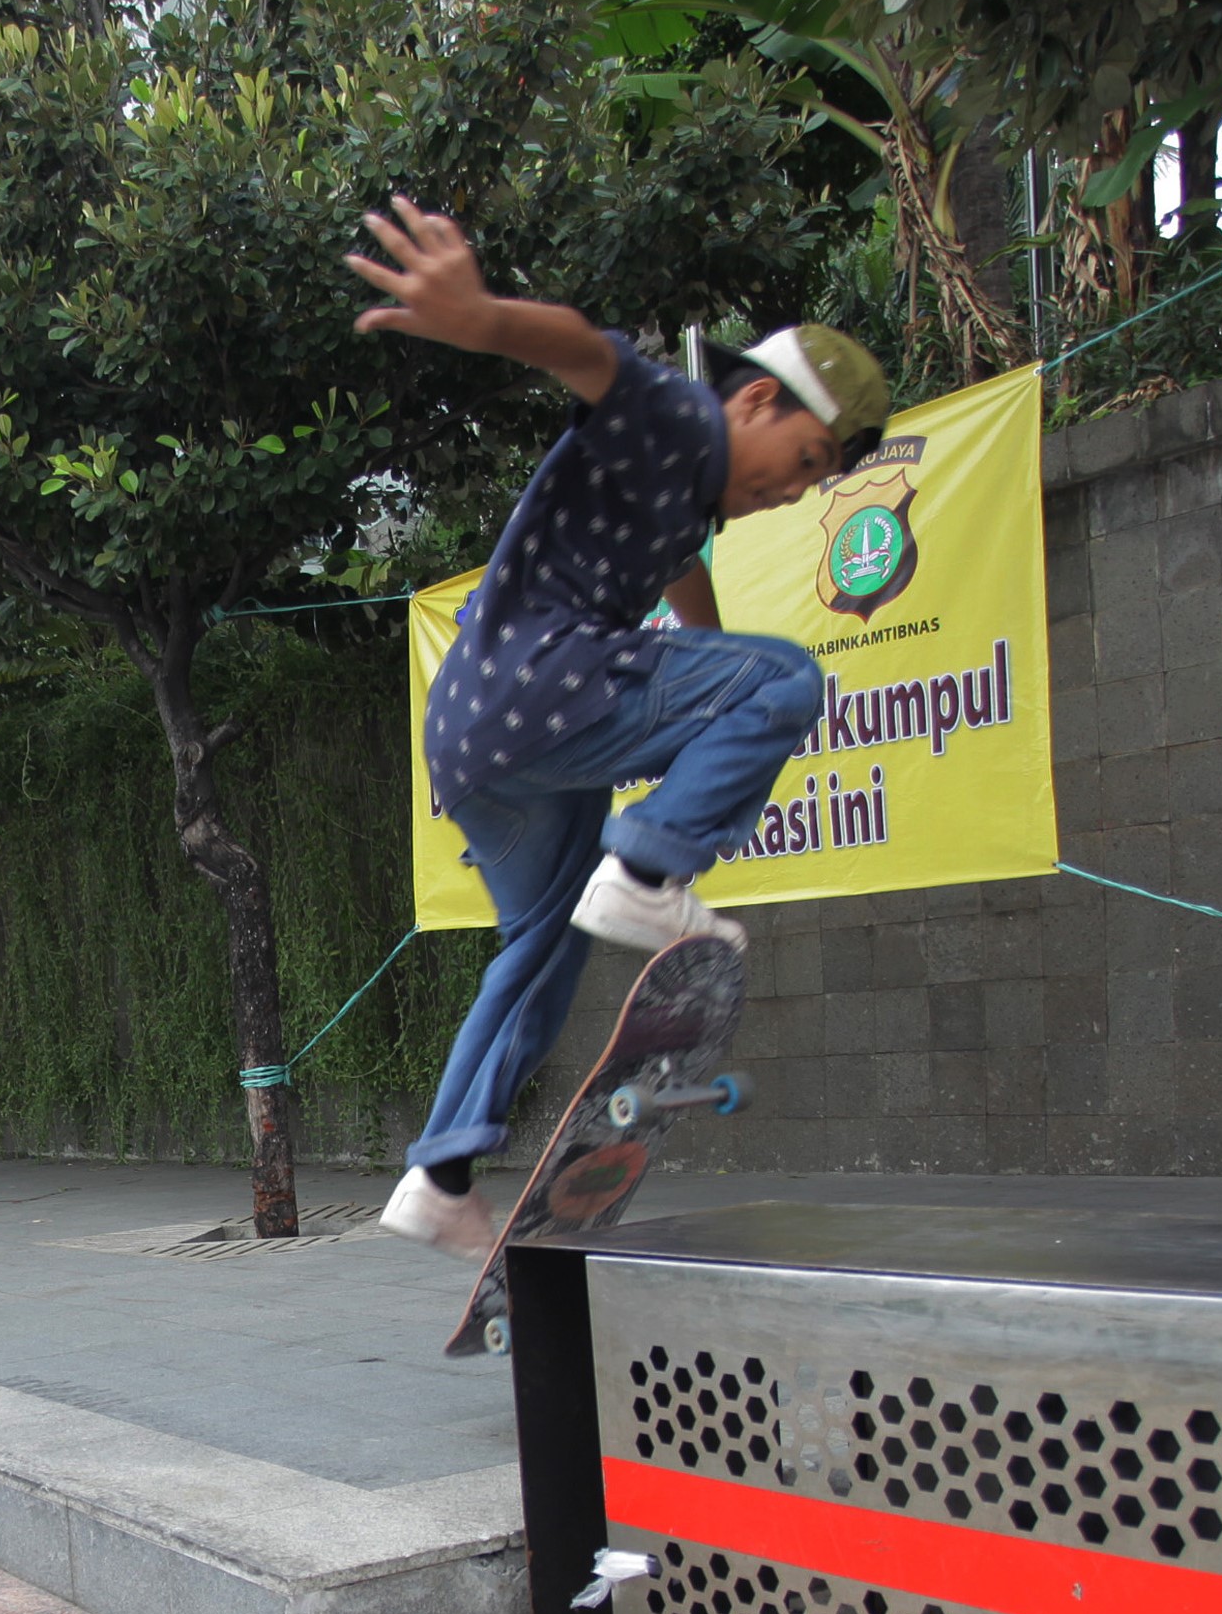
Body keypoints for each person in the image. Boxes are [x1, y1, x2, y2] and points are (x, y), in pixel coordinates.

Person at [344, 198, 889, 1256]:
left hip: (473, 736)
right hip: (539, 688)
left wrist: (712, 659)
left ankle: (440, 1174)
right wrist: (482, 316)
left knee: (537, 955)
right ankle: (645, 876)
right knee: (787, 680)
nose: (798, 491)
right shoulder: (677, 416)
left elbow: (684, 577)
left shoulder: (684, 500)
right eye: (809, 460)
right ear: (759, 400)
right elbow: (592, 357)